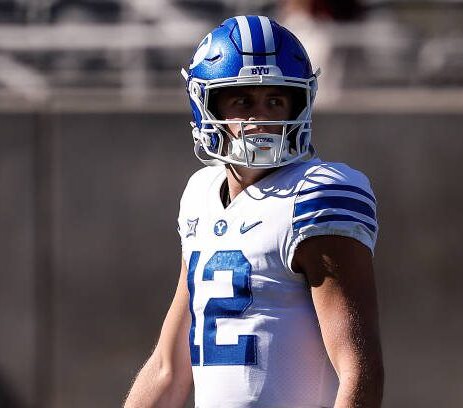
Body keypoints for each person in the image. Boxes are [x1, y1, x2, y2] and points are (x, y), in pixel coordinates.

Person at [124, 15, 383, 408]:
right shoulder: (200, 194)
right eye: (242, 100)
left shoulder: (317, 194)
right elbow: (169, 368)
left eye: (275, 101)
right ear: (206, 104)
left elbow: (358, 369)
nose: (260, 117)